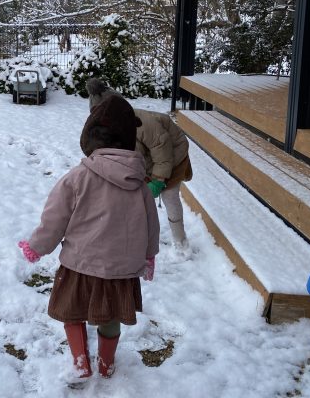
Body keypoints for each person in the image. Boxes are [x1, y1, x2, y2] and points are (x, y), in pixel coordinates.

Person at [17, 94, 160, 379]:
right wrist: (148, 255)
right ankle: (106, 365)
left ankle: (81, 362)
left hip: (80, 265)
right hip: (120, 271)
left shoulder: (76, 178)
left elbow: (54, 219)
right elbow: (151, 225)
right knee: (111, 317)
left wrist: (37, 247)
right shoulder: (139, 185)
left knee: (73, 312)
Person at [86, 78, 193, 248]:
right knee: (137, 198)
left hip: (173, 156)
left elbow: (163, 153)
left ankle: (180, 241)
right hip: (147, 160)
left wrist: (158, 180)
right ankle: (137, 237)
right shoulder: (108, 130)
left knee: (170, 197)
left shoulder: (143, 123)